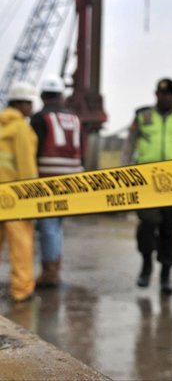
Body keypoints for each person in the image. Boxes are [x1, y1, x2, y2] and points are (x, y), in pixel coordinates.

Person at [122, 78, 172, 295]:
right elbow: (129, 144)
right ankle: (146, 265)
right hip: (146, 182)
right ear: (156, 94)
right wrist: (124, 171)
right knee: (146, 224)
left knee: (168, 229)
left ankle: (165, 274)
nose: (164, 97)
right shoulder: (143, 116)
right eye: (160, 94)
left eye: (168, 94)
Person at [31, 74, 83, 288]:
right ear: (61, 95)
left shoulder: (39, 118)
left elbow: (32, 150)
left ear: (43, 95)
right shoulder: (74, 118)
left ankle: (50, 273)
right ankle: (54, 267)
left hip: (47, 177)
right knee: (57, 225)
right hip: (71, 177)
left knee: (48, 226)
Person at [0, 81, 39, 302]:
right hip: (14, 197)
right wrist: (31, 198)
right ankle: (22, 290)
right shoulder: (21, 128)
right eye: (30, 103)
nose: (31, 108)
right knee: (21, 244)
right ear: (21, 103)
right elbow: (26, 166)